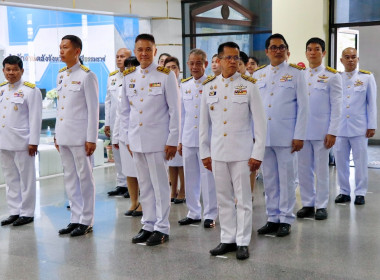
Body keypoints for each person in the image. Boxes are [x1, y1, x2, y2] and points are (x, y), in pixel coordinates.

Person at [200, 42, 267, 260]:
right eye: (228, 58)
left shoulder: (249, 85)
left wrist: (257, 153)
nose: (232, 62)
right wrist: (205, 152)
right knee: (223, 199)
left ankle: (243, 241)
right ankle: (227, 238)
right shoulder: (209, 86)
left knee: (243, 199)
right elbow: (203, 125)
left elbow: (260, 123)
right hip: (218, 153)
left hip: (242, 153)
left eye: (236, 58)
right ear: (218, 60)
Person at [119, 34, 179, 246]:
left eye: (147, 49)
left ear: (155, 51)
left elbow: (175, 110)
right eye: (139, 49)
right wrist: (125, 137)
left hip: (158, 140)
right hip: (136, 139)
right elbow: (125, 111)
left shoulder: (165, 75)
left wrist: (173, 140)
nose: (143, 53)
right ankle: (148, 224)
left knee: (160, 185)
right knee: (145, 184)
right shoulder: (128, 76)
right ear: (135, 52)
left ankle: (162, 228)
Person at [253, 33, 308, 237]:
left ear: (286, 50)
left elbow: (304, 107)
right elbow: (255, 109)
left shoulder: (297, 73)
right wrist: (254, 135)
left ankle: (285, 218)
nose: (278, 50)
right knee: (269, 179)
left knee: (286, 178)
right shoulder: (258, 75)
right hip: (265, 137)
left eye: (281, 47)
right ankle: (272, 217)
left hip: (287, 136)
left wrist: (299, 135)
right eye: (273, 47)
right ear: (267, 51)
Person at [55, 35, 99, 237]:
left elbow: (93, 110)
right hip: (64, 135)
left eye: (65, 48)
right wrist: (57, 134)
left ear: (77, 51)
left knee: (85, 178)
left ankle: (86, 220)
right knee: (70, 178)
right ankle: (75, 218)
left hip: (81, 137)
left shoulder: (87, 76)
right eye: (60, 47)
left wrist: (91, 138)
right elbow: (61, 108)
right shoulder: (62, 74)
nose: (61, 51)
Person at [296, 37, 342, 220]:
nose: (312, 52)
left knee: (322, 170)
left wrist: (333, 131)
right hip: (302, 132)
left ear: (323, 53)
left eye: (316, 49)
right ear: (306, 53)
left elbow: (337, 106)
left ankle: (321, 205)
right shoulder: (300, 74)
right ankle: (307, 203)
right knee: (303, 169)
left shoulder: (332, 76)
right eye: (309, 49)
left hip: (322, 132)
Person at [177, 49, 218, 228]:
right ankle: (193, 212)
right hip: (188, 138)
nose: (194, 67)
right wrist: (179, 140)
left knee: (208, 177)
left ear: (205, 64)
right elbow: (183, 115)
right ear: (188, 64)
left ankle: (210, 214)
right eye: (191, 63)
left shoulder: (213, 84)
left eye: (198, 63)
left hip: (207, 140)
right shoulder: (184, 85)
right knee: (190, 176)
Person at [0, 55, 42, 227]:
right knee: (10, 177)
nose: (11, 73)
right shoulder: (2, 89)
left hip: (23, 142)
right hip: (4, 141)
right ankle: (14, 211)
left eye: (15, 69)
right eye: (8, 69)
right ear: (3, 71)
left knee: (26, 177)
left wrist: (34, 141)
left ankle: (27, 212)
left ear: (22, 71)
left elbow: (35, 118)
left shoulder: (30, 90)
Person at [334, 47, 377, 205]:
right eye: (347, 57)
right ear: (341, 60)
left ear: (357, 59)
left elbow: (371, 103)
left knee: (360, 161)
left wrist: (372, 125)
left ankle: (360, 193)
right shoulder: (336, 77)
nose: (350, 60)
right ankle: (344, 192)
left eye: (353, 57)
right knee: (341, 161)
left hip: (359, 127)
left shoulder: (366, 78)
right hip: (339, 128)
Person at [113, 56, 143, 217]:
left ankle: (144, 203)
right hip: (125, 136)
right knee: (130, 172)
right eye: (127, 68)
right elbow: (120, 114)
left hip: (139, 135)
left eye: (133, 67)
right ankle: (133, 202)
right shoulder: (121, 85)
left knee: (142, 173)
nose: (129, 70)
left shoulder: (143, 84)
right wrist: (117, 137)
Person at [105, 48, 132, 197]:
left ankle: (132, 184)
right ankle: (121, 183)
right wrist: (107, 122)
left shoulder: (132, 75)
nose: (119, 59)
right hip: (115, 122)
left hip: (128, 121)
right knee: (117, 152)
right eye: (117, 57)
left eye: (122, 57)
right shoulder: (112, 77)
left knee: (128, 153)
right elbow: (108, 101)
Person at [163, 56, 186, 204]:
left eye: (174, 67)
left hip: (183, 128)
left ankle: (183, 190)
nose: (171, 70)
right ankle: (173, 190)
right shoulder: (162, 84)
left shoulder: (185, 85)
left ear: (179, 70)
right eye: (168, 67)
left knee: (182, 164)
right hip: (168, 129)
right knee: (171, 163)